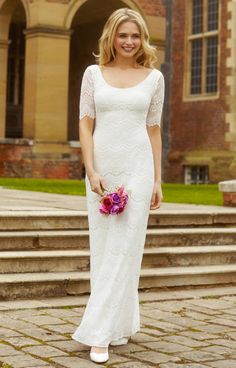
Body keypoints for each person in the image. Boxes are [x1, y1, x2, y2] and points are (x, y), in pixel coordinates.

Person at [71, 7, 165, 364]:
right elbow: (85, 123)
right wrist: (91, 170)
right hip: (102, 171)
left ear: (142, 39)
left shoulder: (154, 78)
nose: (129, 41)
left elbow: (153, 129)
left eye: (135, 35)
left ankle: (100, 334)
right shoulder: (93, 74)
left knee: (127, 248)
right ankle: (121, 323)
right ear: (111, 36)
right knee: (105, 248)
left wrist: (157, 179)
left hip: (138, 168)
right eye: (123, 34)